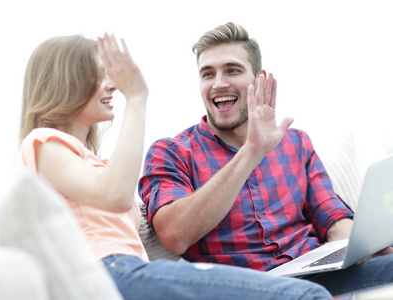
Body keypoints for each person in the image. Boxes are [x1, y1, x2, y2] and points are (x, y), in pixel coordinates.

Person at [18, 33, 332, 300]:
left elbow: (115, 193)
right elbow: (116, 195)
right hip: (109, 271)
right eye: (99, 74)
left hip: (132, 270)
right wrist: (138, 97)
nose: (112, 85)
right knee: (307, 296)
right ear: (66, 82)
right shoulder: (43, 142)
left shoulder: (88, 163)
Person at [138, 22, 393, 296]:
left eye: (232, 70)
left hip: (316, 274)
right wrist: (251, 152)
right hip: (249, 288)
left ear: (258, 79)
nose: (219, 83)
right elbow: (174, 236)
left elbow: (330, 215)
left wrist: (358, 249)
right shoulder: (171, 152)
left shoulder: (296, 143)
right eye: (207, 74)